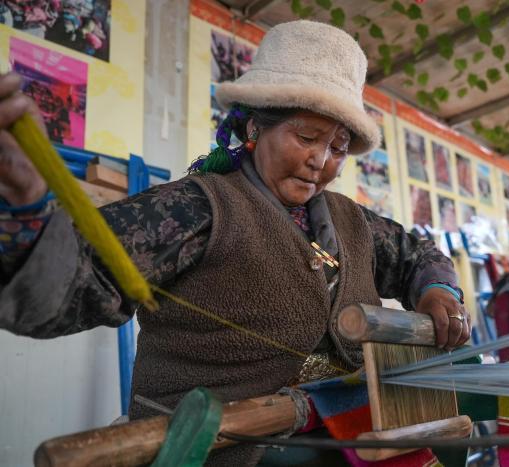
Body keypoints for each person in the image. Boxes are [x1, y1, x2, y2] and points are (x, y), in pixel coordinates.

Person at [0, 20, 471, 465]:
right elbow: (79, 280)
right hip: (216, 449)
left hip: (344, 442)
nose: (320, 161)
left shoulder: (353, 221)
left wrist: (438, 293)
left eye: (338, 148)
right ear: (254, 128)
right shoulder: (196, 207)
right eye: (306, 137)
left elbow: (417, 254)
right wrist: (27, 206)